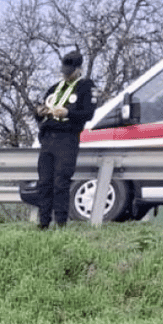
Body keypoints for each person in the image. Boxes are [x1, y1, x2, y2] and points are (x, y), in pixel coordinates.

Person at [34, 49, 96, 228]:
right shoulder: (55, 88)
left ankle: (61, 222)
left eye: (70, 72)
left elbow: (88, 113)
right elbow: (42, 107)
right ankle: (43, 222)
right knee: (44, 182)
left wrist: (68, 113)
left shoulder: (86, 87)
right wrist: (39, 112)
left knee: (61, 182)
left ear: (78, 69)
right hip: (48, 138)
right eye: (64, 72)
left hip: (67, 138)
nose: (66, 75)